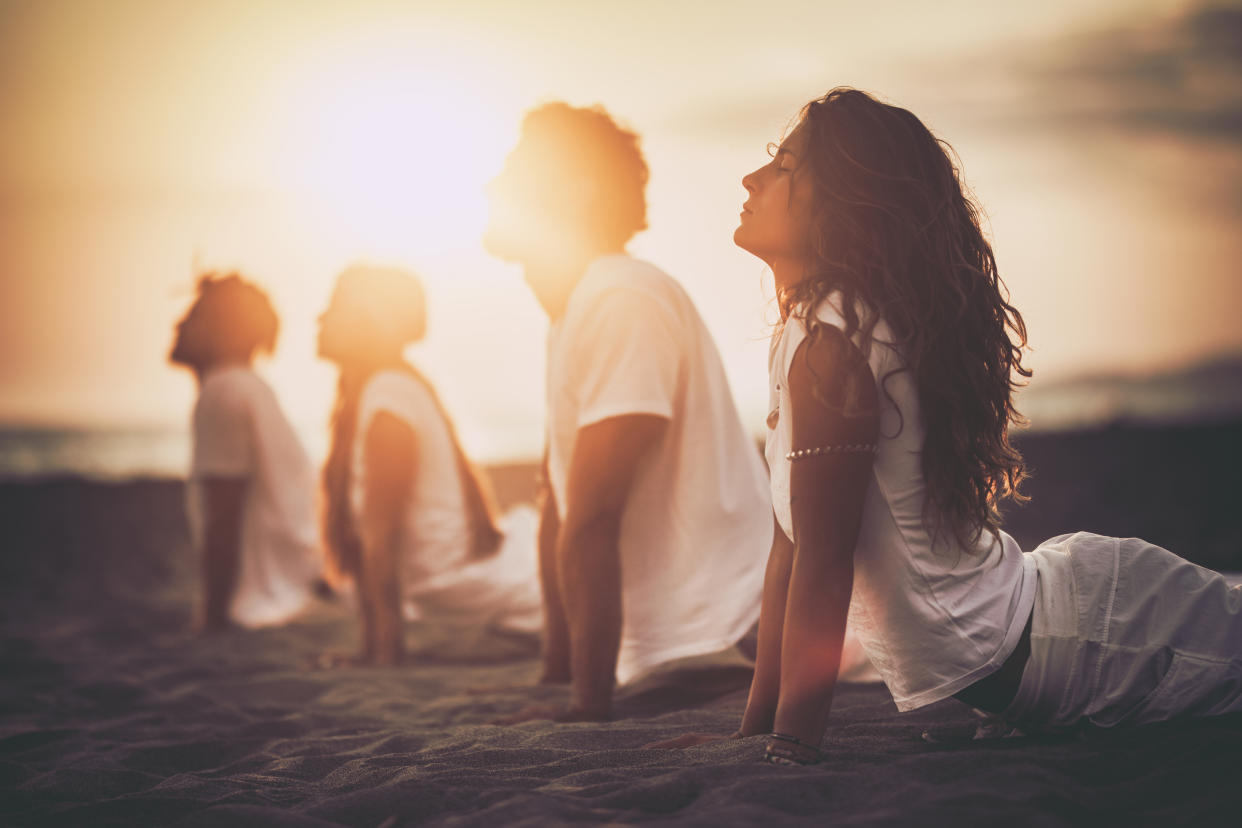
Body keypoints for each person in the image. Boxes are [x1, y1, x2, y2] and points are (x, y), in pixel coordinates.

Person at [654, 87, 1242, 764]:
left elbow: (824, 560)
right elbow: (789, 550)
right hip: (1056, 627)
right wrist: (754, 732)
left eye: (784, 166)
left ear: (844, 202)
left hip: (1093, 639)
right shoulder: (804, 332)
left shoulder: (834, 341)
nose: (751, 177)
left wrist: (791, 745)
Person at [481, 102, 789, 723]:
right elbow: (558, 500)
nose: (492, 185)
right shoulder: (582, 304)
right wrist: (555, 675)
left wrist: (584, 708)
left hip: (729, 636)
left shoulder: (621, 298)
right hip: (701, 639)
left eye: (514, 170)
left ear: (574, 192)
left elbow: (593, 516)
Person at [317, 264, 542, 667]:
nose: (321, 318)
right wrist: (366, 652)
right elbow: (370, 537)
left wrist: (383, 655)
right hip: (470, 595)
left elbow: (382, 536)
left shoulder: (388, 396)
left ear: (370, 319)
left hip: (511, 605)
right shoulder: (385, 389)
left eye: (334, 308)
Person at [170, 273, 322, 633]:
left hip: (282, 595)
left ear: (223, 330)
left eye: (195, 314)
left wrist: (211, 619)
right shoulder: (246, 387)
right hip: (299, 580)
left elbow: (224, 514)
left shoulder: (224, 390)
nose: (180, 323)